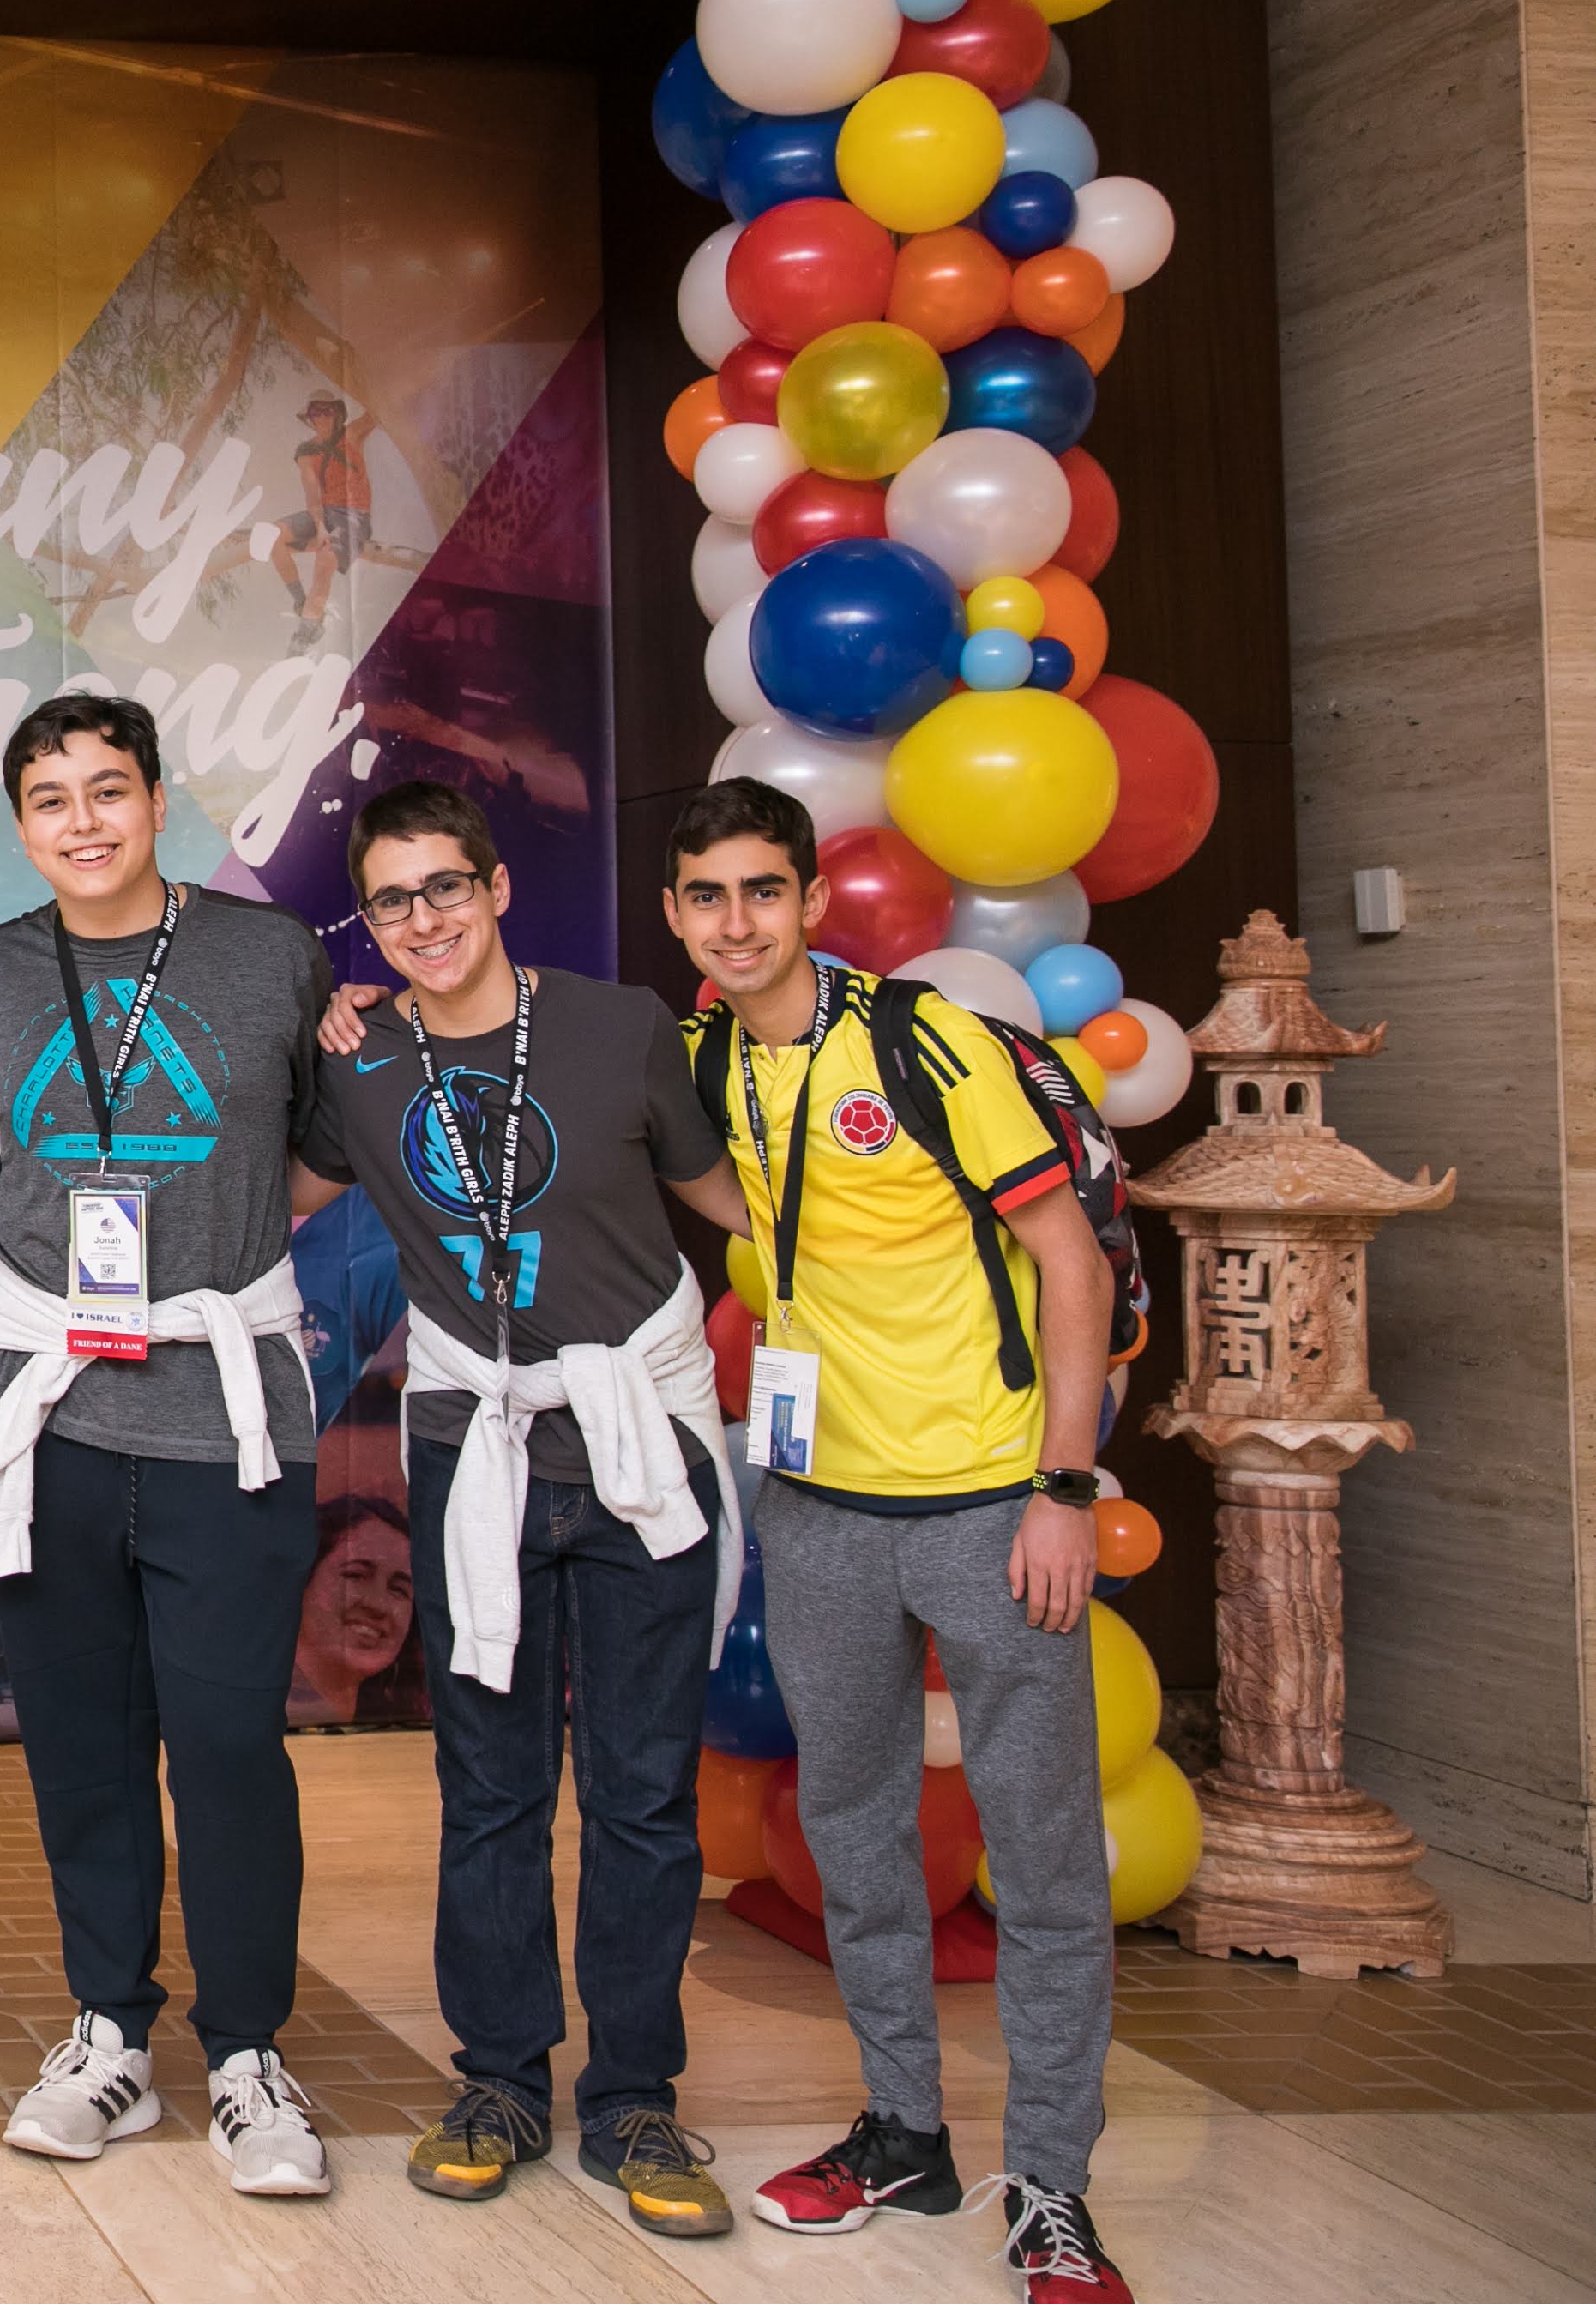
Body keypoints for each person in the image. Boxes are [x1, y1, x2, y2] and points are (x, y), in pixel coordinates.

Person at [661, 778, 1131, 2304]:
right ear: (675, 914)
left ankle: (1050, 2186)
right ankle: (903, 2131)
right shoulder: (704, 1060)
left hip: (995, 1502)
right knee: (856, 1836)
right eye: (705, 896)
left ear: (809, 900)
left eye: (761, 890)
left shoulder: (923, 1042)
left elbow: (1067, 1259)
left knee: (1042, 1856)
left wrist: (1063, 1490)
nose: (735, 922)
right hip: (818, 1506)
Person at [291, 775, 755, 2235]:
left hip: (636, 1442)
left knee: (639, 1791)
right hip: (471, 1447)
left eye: (444, 886)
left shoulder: (621, 1028)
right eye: (389, 901)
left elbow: (740, 1204)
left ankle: (633, 2099)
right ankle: (497, 2080)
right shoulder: (360, 1062)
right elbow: (267, 1199)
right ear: (366, 925)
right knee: (487, 1789)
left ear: (495, 889)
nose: (421, 919)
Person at [0, 691, 336, 2195]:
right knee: (79, 1750)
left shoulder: (269, 956)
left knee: (227, 1746)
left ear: (158, 800)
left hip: (221, 1417)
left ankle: (246, 2055)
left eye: (108, 789)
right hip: (43, 1409)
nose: (83, 821)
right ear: (21, 825)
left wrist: (213, 1259)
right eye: (50, 800)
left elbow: (321, 1151)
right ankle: (107, 2030)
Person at [283, 1491, 420, 1728]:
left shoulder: (401, 1725)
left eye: (399, 1589)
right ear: (304, 1580)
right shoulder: (254, 1710)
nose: (378, 1605)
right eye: (356, 1575)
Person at [270, 394, 377, 636]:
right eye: (315, 412)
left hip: (354, 514)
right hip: (323, 511)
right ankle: (301, 601)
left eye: (327, 411)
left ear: (337, 413)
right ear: (309, 417)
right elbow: (312, 492)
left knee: (325, 559)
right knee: (271, 534)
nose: (321, 417)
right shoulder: (306, 451)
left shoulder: (351, 434)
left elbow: (378, 412)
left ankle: (304, 636)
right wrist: (320, 527)